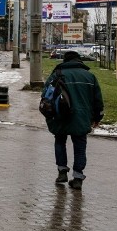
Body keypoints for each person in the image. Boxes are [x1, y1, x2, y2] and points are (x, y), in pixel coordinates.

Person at [43, 50, 104, 189]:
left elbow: (45, 96)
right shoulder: (89, 76)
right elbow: (97, 100)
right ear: (79, 61)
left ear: (65, 61)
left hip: (60, 116)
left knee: (60, 142)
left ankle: (62, 172)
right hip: (82, 118)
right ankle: (77, 178)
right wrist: (97, 117)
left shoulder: (56, 75)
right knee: (80, 148)